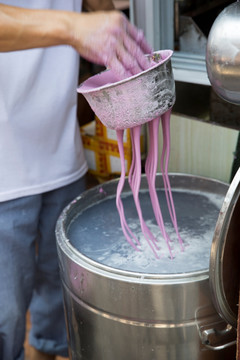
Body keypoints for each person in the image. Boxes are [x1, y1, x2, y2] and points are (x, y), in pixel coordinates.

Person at [0, 1, 152, 359]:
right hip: (4, 172)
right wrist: (73, 27)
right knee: (5, 318)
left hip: (61, 151)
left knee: (61, 299)